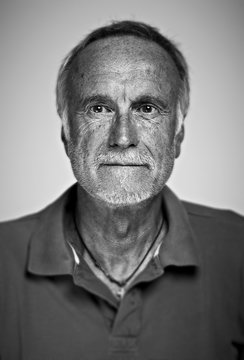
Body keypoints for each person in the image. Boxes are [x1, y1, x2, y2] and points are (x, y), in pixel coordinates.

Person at [0, 20, 243, 360]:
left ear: (178, 137)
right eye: (99, 108)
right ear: (67, 134)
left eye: (147, 108)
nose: (123, 137)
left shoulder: (238, 250)